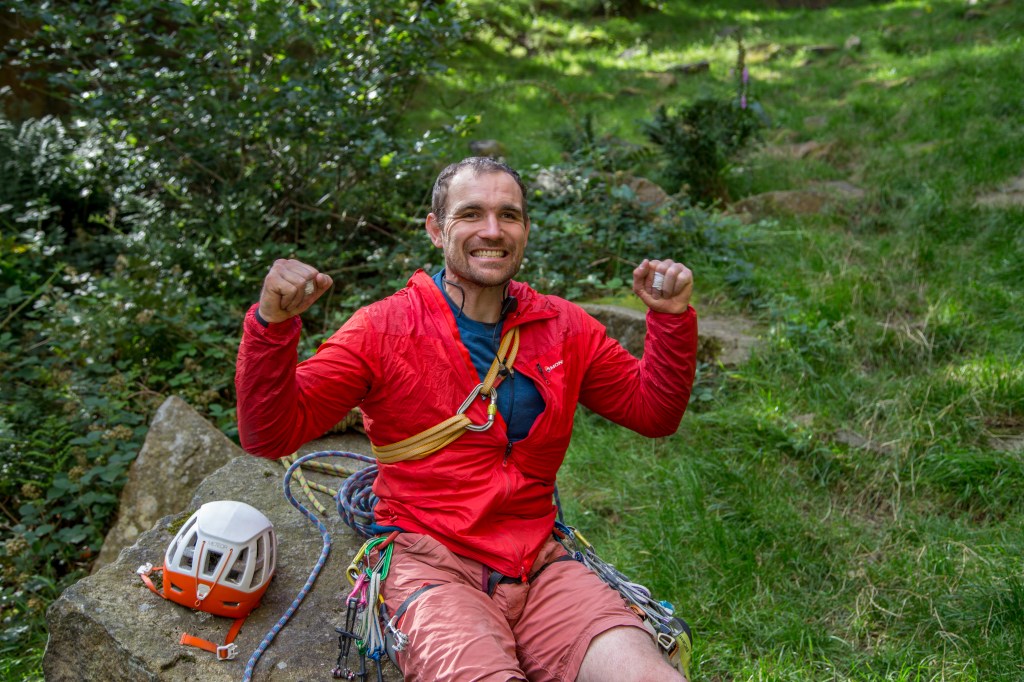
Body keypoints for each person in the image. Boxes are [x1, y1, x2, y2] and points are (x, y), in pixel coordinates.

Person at [235, 157, 698, 681]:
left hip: (539, 564)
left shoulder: (563, 326)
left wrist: (671, 320)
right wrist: (272, 326)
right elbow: (269, 434)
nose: (493, 231)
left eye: (509, 215)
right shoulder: (383, 329)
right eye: (471, 214)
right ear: (437, 230)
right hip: (428, 563)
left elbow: (652, 412)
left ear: (525, 230)